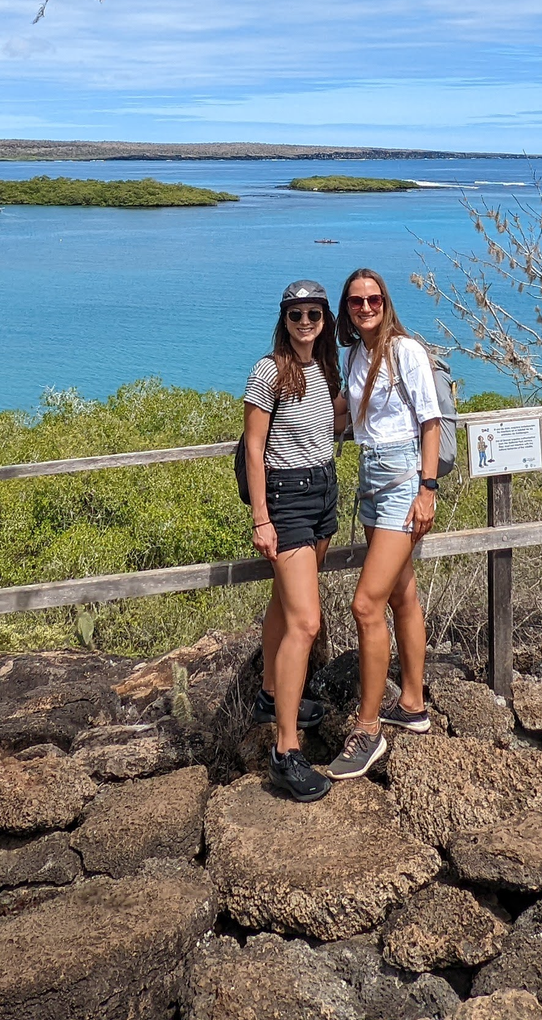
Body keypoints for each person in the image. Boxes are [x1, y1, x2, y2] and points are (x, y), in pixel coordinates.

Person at [325, 265, 444, 781]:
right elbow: (344, 420)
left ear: (386, 302)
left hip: (402, 479)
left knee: (365, 602)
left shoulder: (406, 351)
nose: (366, 307)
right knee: (401, 595)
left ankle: (368, 728)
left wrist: (427, 489)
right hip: (371, 475)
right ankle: (412, 704)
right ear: (346, 310)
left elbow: (430, 422)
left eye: (374, 299)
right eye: (356, 301)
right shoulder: (353, 356)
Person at [242, 278, 347, 802]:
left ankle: (268, 694)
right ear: (283, 321)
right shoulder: (269, 372)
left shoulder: (327, 369)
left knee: (286, 606)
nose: (305, 323)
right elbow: (255, 449)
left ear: (325, 320)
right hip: (286, 500)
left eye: (314, 314)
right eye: (296, 315)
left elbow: (331, 426)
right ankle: (286, 751)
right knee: (307, 621)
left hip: (323, 490)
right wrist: (262, 518)